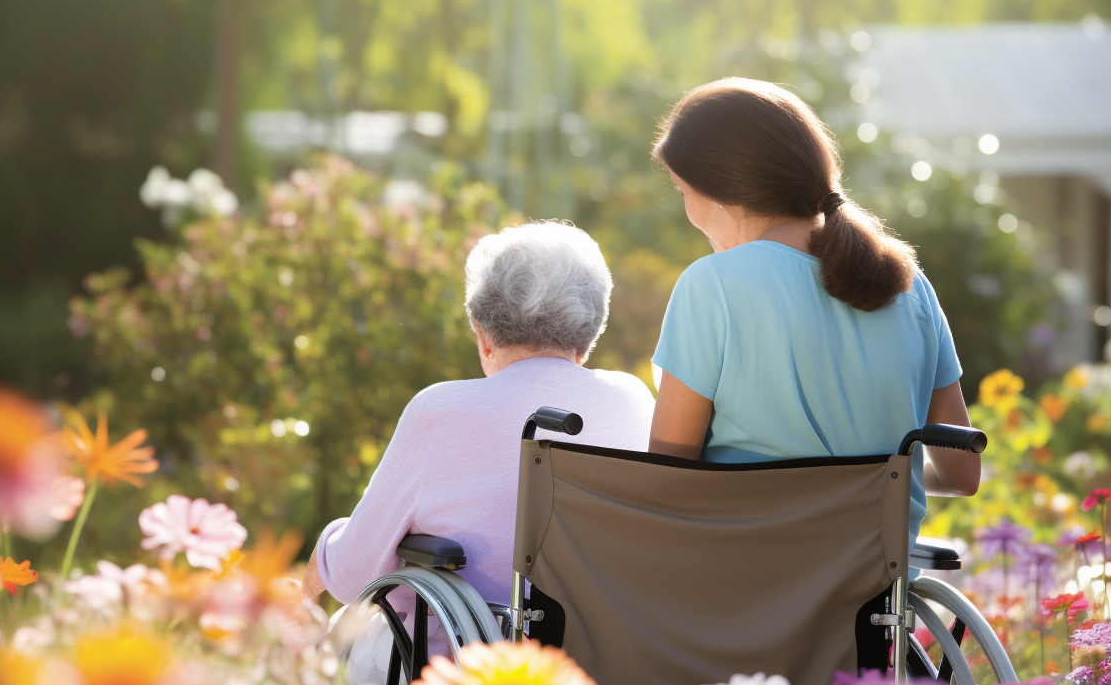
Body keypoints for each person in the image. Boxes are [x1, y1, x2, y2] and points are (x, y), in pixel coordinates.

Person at [647, 77, 980, 548]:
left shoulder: (712, 286)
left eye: (682, 191)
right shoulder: (911, 285)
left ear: (717, 189)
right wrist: (874, 478)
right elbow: (962, 473)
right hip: (874, 595)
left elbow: (668, 481)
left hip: (742, 583)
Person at [306, 220, 654, 609]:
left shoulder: (439, 411)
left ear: (482, 335)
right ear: (587, 339)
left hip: (464, 661)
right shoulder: (633, 400)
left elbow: (353, 574)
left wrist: (322, 556)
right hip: (605, 655)